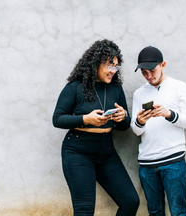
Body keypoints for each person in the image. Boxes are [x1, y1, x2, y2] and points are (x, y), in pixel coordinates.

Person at [52, 39, 139, 216]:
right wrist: (86, 119)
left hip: (106, 151)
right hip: (78, 151)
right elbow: (57, 119)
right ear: (95, 64)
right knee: (84, 210)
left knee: (130, 201)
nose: (113, 71)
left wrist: (122, 118)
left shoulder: (116, 88)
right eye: (109, 65)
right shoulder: (75, 87)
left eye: (116, 66)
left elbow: (124, 126)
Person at [131, 46, 186, 216]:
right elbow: (136, 131)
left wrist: (169, 114)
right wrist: (140, 121)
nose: (149, 76)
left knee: (179, 212)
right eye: (144, 72)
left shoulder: (179, 87)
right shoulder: (139, 94)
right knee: (154, 212)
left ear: (163, 65)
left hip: (173, 161)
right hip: (147, 164)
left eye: (152, 70)